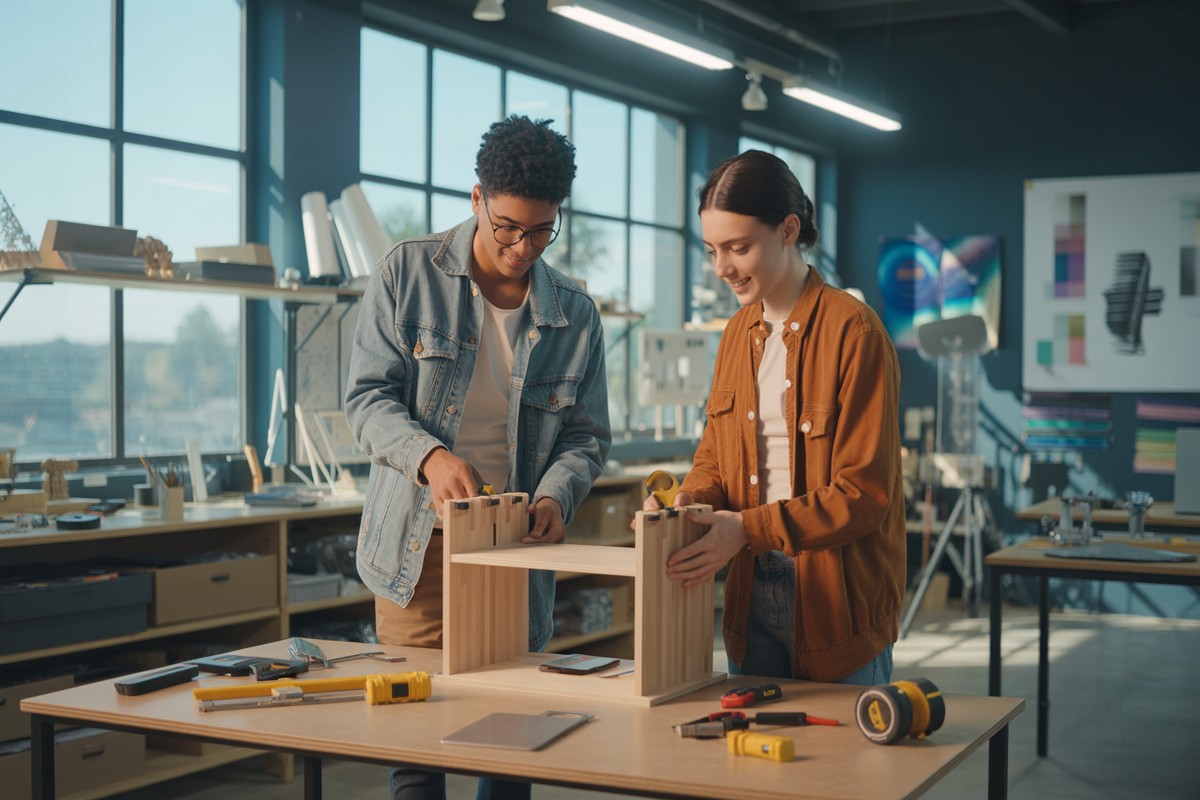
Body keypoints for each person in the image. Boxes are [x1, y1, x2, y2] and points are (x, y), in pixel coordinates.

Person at [345, 115, 611, 800]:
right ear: (476, 200)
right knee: (416, 742)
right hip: (418, 545)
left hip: (514, 546)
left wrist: (556, 495)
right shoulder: (407, 273)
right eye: (508, 228)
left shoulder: (575, 313)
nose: (523, 247)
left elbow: (586, 434)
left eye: (542, 231)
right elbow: (366, 401)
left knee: (511, 742)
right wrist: (430, 458)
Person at [648, 149, 905, 686]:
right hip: (750, 596)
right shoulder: (736, 335)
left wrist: (746, 529)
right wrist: (681, 507)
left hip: (837, 604)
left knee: (841, 769)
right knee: (752, 760)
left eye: (739, 247)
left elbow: (865, 495)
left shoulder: (855, 332)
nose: (722, 268)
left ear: (789, 229)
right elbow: (714, 461)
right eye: (713, 250)